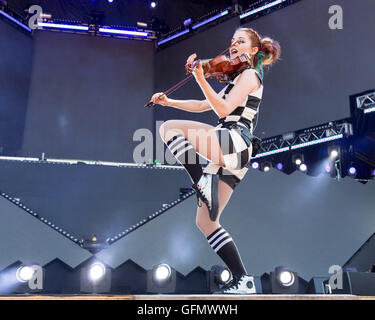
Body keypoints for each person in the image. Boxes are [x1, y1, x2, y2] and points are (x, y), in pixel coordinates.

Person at [150, 27, 280, 294]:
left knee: (168, 129)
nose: (233, 45)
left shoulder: (250, 75)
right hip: (234, 154)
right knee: (206, 222)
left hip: (235, 140)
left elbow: (222, 109)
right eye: (232, 41)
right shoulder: (236, 78)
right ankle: (243, 279)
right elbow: (202, 105)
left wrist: (200, 77)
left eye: (240, 41)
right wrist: (169, 102)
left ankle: (201, 184)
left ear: (253, 50)